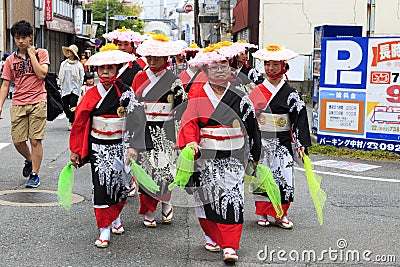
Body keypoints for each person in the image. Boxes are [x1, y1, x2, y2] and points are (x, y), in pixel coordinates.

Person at [176, 47, 261, 263]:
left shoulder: (240, 94)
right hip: (206, 155)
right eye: (214, 67)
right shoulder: (197, 92)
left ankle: (230, 245)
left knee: (232, 198)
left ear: (231, 68)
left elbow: (251, 126)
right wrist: (191, 141)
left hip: (233, 155)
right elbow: (189, 121)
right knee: (205, 199)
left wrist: (255, 153)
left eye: (224, 66)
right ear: (206, 68)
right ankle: (211, 236)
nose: (220, 71)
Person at [69, 43, 147, 248]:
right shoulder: (91, 94)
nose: (105, 71)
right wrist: (76, 150)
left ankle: (116, 217)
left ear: (117, 68)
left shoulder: (126, 92)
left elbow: (137, 119)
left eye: (110, 67)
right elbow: (79, 123)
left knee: (121, 186)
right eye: (101, 67)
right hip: (99, 146)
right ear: (96, 70)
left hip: (121, 145)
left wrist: (133, 146)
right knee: (102, 185)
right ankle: (104, 229)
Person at [248, 44, 312, 229]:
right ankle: (262, 211)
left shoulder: (291, 93)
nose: (270, 68)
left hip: (283, 141)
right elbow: (249, 119)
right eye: (267, 64)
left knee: (283, 176)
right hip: (262, 140)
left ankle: (281, 213)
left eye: (275, 64)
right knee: (262, 175)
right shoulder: (257, 91)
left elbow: (299, 119)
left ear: (283, 66)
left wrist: (300, 143)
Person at [132, 33, 185, 228]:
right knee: (146, 170)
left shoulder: (173, 80)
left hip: (166, 129)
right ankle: (148, 210)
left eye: (157, 57)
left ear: (165, 58)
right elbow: (133, 105)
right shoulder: (139, 78)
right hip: (144, 128)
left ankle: (166, 200)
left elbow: (181, 108)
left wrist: (181, 135)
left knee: (165, 170)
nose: (152, 61)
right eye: (150, 57)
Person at [0, 20, 49, 188]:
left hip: (38, 101)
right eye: (16, 38)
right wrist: (0, 106)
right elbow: (5, 84)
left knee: (35, 140)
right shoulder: (10, 61)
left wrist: (32, 55)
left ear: (30, 37)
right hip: (18, 103)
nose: (20, 41)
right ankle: (29, 160)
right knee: (18, 141)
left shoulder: (41, 53)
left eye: (23, 37)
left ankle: (35, 174)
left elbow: (42, 74)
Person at [58, 44, 85, 131]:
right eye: (68, 51)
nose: (68, 53)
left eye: (70, 51)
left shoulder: (79, 65)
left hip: (75, 88)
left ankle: (71, 122)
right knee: (65, 106)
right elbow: (60, 74)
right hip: (65, 87)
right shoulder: (64, 64)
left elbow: (82, 76)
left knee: (73, 105)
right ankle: (72, 117)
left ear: (73, 53)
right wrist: (59, 83)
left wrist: (80, 86)